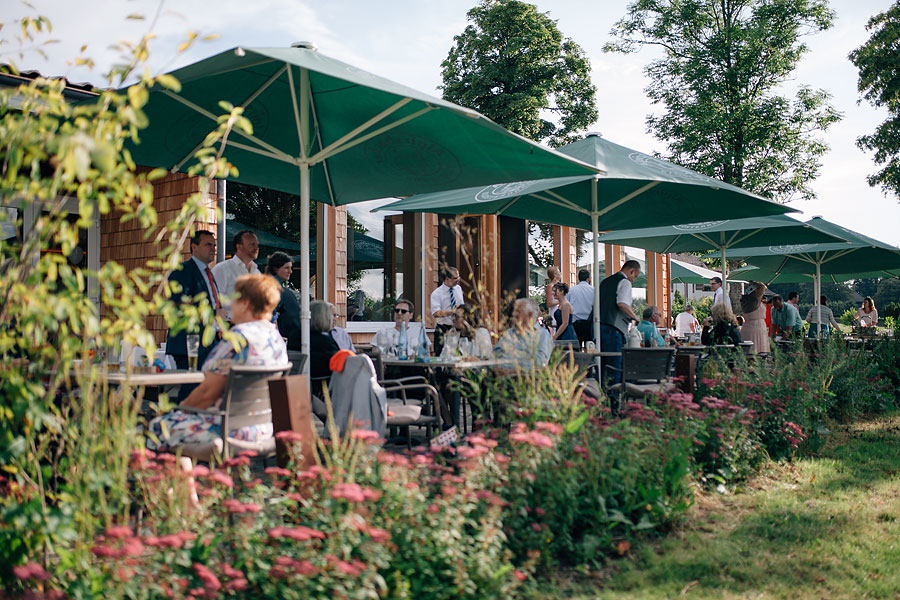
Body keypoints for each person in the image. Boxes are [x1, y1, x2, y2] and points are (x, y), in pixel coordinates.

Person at [148, 274, 288, 452]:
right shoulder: (276, 339)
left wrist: (179, 410)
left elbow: (207, 394)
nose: (228, 306)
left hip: (226, 429)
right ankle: (188, 476)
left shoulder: (239, 337)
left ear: (245, 303)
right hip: (263, 428)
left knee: (157, 427)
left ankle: (175, 478)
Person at [166, 230, 228, 380]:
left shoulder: (208, 273)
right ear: (194, 248)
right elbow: (180, 307)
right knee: (191, 391)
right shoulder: (182, 271)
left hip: (210, 342)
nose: (213, 248)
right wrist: (213, 313)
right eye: (208, 245)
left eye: (214, 245)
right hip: (190, 344)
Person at [599, 260, 642, 387]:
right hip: (613, 328)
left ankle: (602, 399)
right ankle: (614, 402)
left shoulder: (605, 282)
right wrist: (635, 316)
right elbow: (622, 303)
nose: (634, 279)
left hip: (597, 326)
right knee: (614, 367)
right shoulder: (625, 282)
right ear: (632, 271)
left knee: (602, 366)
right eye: (635, 276)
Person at [212, 229, 261, 319]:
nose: (256, 248)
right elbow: (213, 301)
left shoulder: (257, 273)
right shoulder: (222, 269)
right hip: (228, 326)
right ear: (239, 247)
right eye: (251, 244)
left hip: (252, 326)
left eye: (257, 244)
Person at [493, 298, 552, 368]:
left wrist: (509, 366)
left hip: (526, 377)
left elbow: (539, 363)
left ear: (530, 315)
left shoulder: (542, 334)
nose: (513, 314)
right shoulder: (510, 332)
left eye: (518, 311)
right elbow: (494, 355)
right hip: (500, 375)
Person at [265, 251, 301, 352]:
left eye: (290, 268)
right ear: (275, 269)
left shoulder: (280, 288)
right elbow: (269, 316)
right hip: (285, 344)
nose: (290, 271)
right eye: (286, 268)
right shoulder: (272, 288)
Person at [309, 300, 341, 397]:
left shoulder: (299, 338)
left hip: (301, 389)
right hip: (324, 392)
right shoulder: (324, 341)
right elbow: (340, 363)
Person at [430, 267, 464, 356]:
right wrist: (452, 312)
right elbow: (436, 313)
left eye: (458, 277)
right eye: (455, 278)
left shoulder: (458, 289)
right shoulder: (437, 293)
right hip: (443, 328)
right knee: (440, 355)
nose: (458, 280)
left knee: (458, 354)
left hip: (457, 328)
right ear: (447, 279)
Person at [739, 281, 769, 354]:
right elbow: (762, 287)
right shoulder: (755, 300)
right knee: (758, 349)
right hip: (758, 326)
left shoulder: (745, 301)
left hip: (747, 326)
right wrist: (755, 283)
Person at [568, 268, 595, 345]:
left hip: (576, 322)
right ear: (589, 278)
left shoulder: (571, 290)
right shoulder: (593, 290)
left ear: (578, 278)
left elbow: (567, 304)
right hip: (589, 322)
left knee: (576, 347)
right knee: (590, 347)